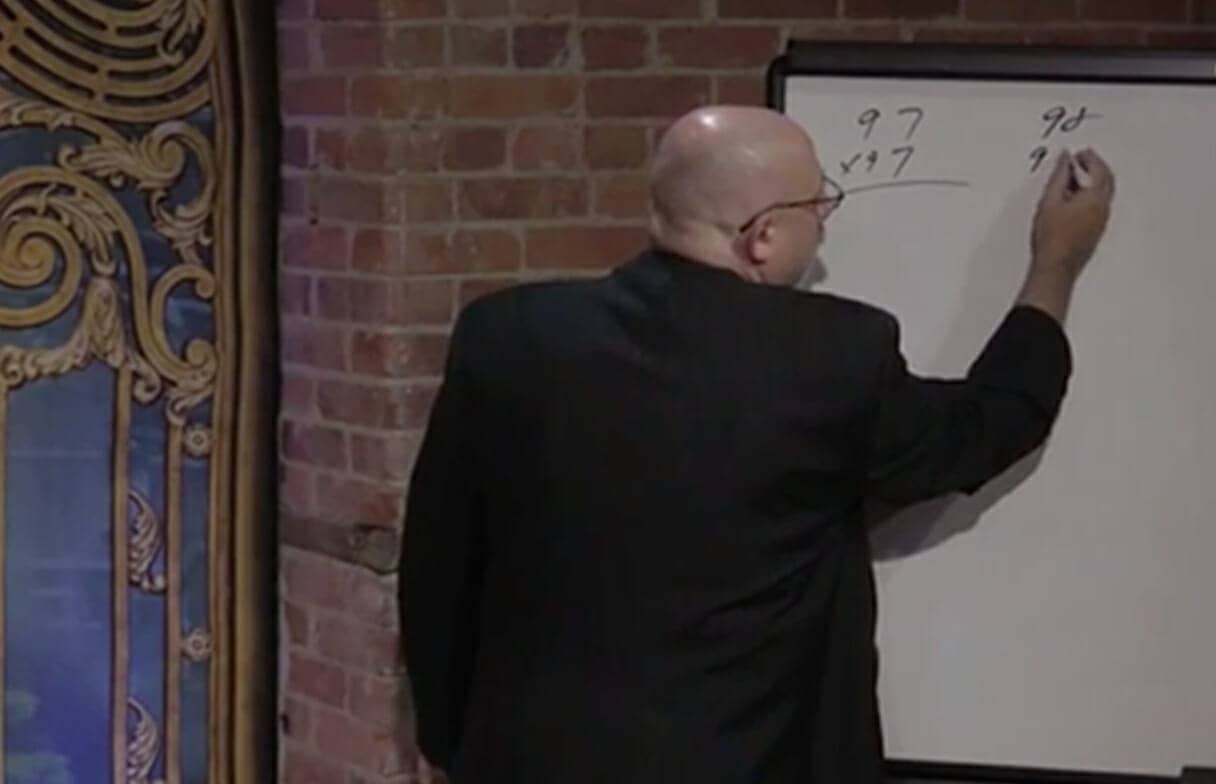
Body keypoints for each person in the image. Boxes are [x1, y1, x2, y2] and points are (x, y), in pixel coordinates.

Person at [398, 105, 1114, 783]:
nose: (825, 220)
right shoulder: (834, 357)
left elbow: (438, 560)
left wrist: (450, 742)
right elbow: (987, 425)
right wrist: (1056, 261)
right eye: (817, 204)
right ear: (761, 236)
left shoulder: (508, 335)